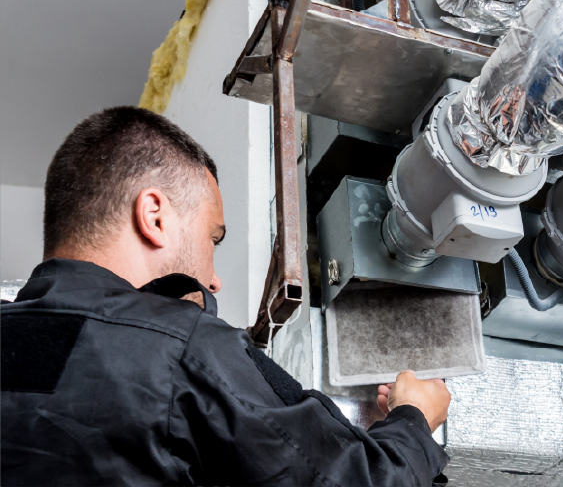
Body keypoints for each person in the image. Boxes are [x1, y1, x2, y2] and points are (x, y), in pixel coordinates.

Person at [0, 107, 452, 486]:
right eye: (212, 239)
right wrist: (414, 419)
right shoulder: (182, 346)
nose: (214, 281)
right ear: (154, 216)